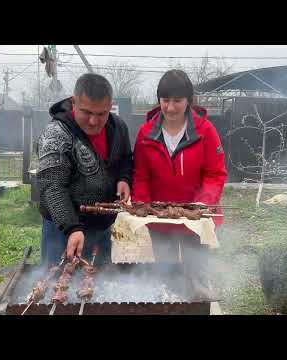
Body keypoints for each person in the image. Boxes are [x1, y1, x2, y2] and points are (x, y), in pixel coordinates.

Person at [131, 69, 227, 299]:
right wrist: (143, 206)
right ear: (159, 100)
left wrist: (202, 204)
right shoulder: (146, 134)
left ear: (189, 101)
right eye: (165, 100)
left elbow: (215, 174)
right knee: (166, 275)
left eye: (177, 101)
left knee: (197, 274)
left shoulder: (205, 132)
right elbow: (141, 176)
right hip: (160, 219)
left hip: (196, 221)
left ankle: (198, 304)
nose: (170, 107)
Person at [37, 73, 132, 267]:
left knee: (99, 288)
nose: (94, 121)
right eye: (87, 112)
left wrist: (124, 178)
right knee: (56, 288)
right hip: (62, 231)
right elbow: (52, 186)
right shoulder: (56, 134)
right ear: (73, 102)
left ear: (110, 106)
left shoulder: (118, 127)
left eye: (101, 113)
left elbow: (125, 158)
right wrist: (72, 227)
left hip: (102, 228)